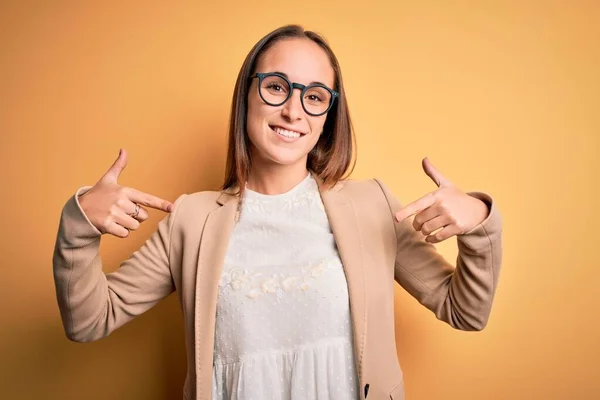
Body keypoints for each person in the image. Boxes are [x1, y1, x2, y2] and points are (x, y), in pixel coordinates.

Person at [53, 25, 503, 400]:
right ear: (247, 95)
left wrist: (480, 222)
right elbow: (91, 320)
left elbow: (465, 311)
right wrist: (80, 225)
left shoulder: (372, 206)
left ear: (329, 113)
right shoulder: (191, 220)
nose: (293, 111)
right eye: (276, 87)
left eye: (315, 96)